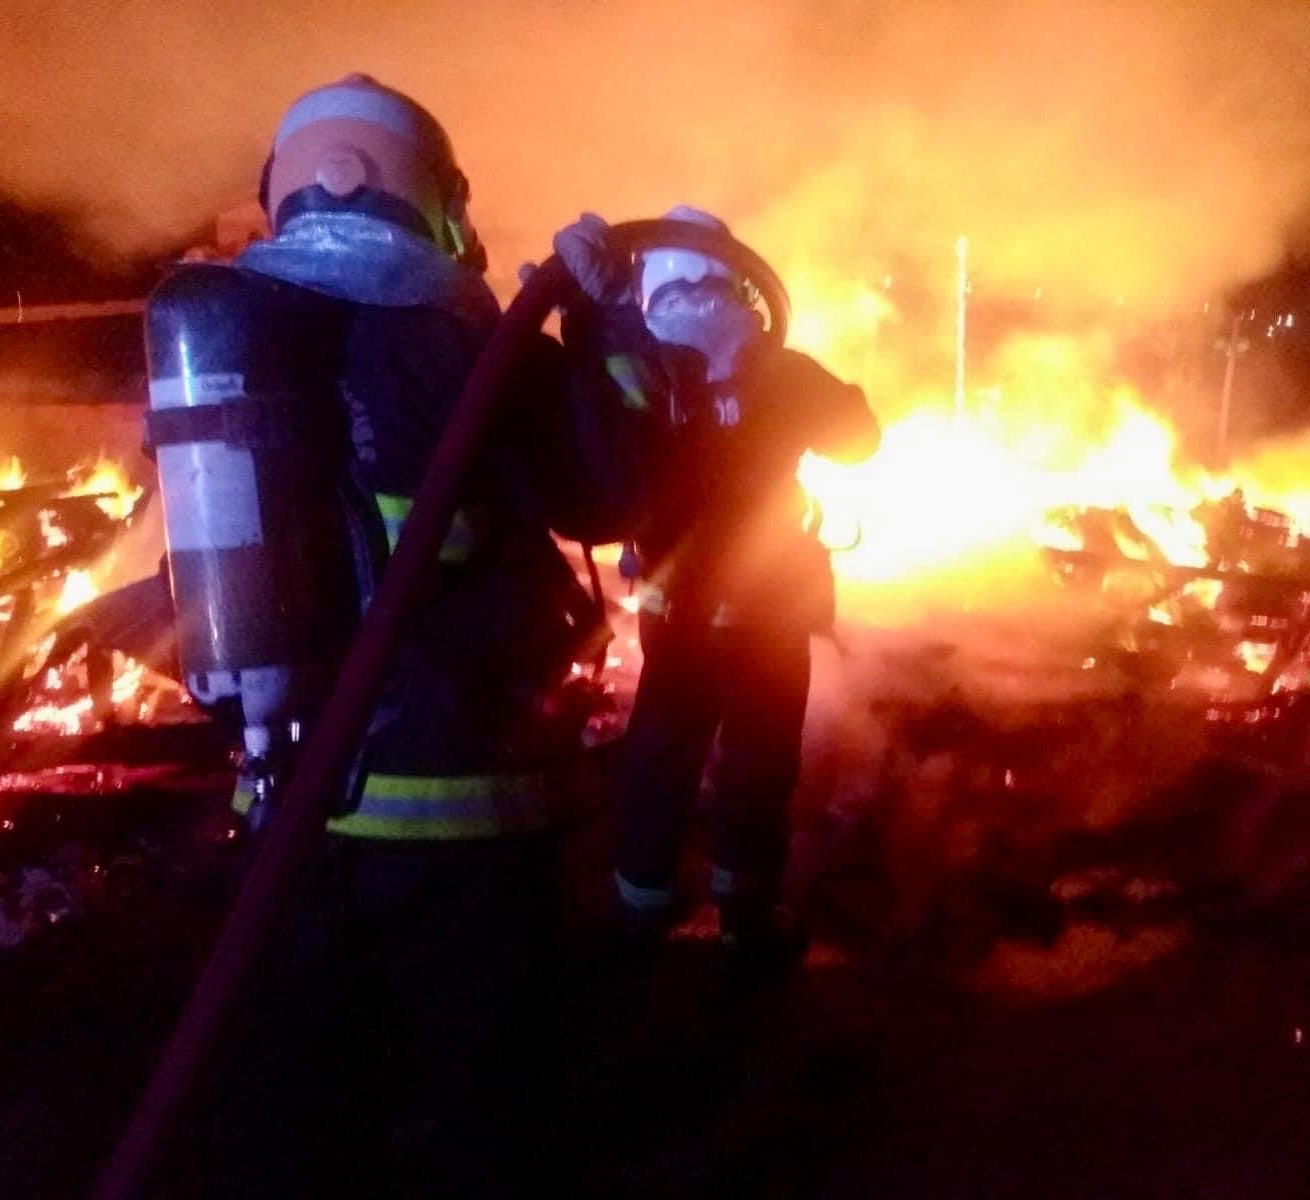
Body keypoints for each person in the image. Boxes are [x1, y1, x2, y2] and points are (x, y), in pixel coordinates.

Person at [177, 75, 665, 1196]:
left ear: (282, 195)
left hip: (289, 802)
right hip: (465, 817)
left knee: (304, 1087)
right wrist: (607, 326)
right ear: (437, 197)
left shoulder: (234, 339)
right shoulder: (468, 352)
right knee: (483, 1093)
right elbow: (613, 496)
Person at [612, 206, 879, 974]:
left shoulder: (644, 369)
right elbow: (861, 439)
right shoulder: (780, 368)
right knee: (759, 764)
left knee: (660, 756)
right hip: (767, 616)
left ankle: (640, 919)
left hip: (675, 613)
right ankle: (745, 923)